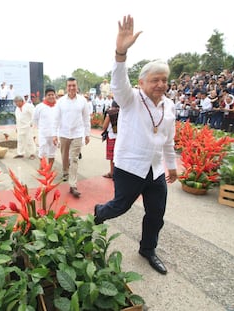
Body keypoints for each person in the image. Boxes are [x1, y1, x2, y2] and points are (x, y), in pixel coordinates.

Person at [94, 15, 178, 275]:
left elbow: (168, 140)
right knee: (119, 207)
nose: (161, 84)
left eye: (164, 79)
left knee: (156, 213)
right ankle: (98, 213)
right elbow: (119, 81)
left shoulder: (170, 106)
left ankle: (148, 249)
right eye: (155, 79)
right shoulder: (130, 99)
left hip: (155, 170)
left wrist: (171, 167)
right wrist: (121, 52)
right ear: (142, 82)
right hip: (130, 166)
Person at [52, 77, 91, 198]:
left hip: (77, 134)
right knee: (64, 156)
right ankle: (65, 172)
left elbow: (86, 118)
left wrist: (87, 133)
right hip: (64, 133)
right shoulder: (61, 101)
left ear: (77, 86)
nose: (72, 88)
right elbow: (56, 119)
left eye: (74, 85)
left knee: (74, 158)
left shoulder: (82, 101)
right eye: (69, 85)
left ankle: (73, 184)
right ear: (66, 87)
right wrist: (55, 134)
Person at [33, 86, 57, 168]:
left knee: (52, 152)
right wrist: (41, 128)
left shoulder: (58, 106)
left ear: (55, 95)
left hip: (55, 134)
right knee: (42, 151)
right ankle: (42, 165)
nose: (51, 96)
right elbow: (35, 119)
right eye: (49, 95)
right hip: (43, 133)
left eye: (52, 94)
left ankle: (49, 168)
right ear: (45, 96)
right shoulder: (39, 107)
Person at [13, 95, 36, 159]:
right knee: (20, 140)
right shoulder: (17, 109)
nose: (16, 104)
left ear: (21, 101)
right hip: (20, 127)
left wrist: (32, 123)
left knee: (29, 140)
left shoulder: (29, 106)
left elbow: (34, 115)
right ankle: (20, 153)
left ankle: (32, 153)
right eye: (15, 103)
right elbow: (17, 119)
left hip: (28, 126)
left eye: (17, 102)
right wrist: (17, 127)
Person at [101, 100, 119, 179]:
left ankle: (112, 173)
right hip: (121, 137)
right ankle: (118, 174)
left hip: (112, 137)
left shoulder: (110, 113)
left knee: (112, 156)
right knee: (118, 156)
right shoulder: (123, 112)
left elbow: (104, 126)